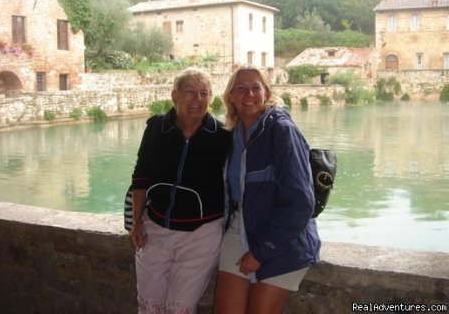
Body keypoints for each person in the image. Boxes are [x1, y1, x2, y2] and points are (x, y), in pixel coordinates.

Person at [214, 65, 321, 314]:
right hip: (240, 227)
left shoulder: (281, 131)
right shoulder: (232, 135)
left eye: (255, 88)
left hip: (283, 238)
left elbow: (301, 204)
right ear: (230, 96)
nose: (248, 94)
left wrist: (262, 252)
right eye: (240, 88)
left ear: (266, 93)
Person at [125, 68, 231, 314]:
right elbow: (141, 176)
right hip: (155, 228)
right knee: (149, 306)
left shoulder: (223, 135)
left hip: (201, 235)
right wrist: (137, 222)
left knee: (180, 308)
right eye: (190, 93)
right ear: (174, 95)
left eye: (204, 93)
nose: (198, 99)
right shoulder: (156, 127)